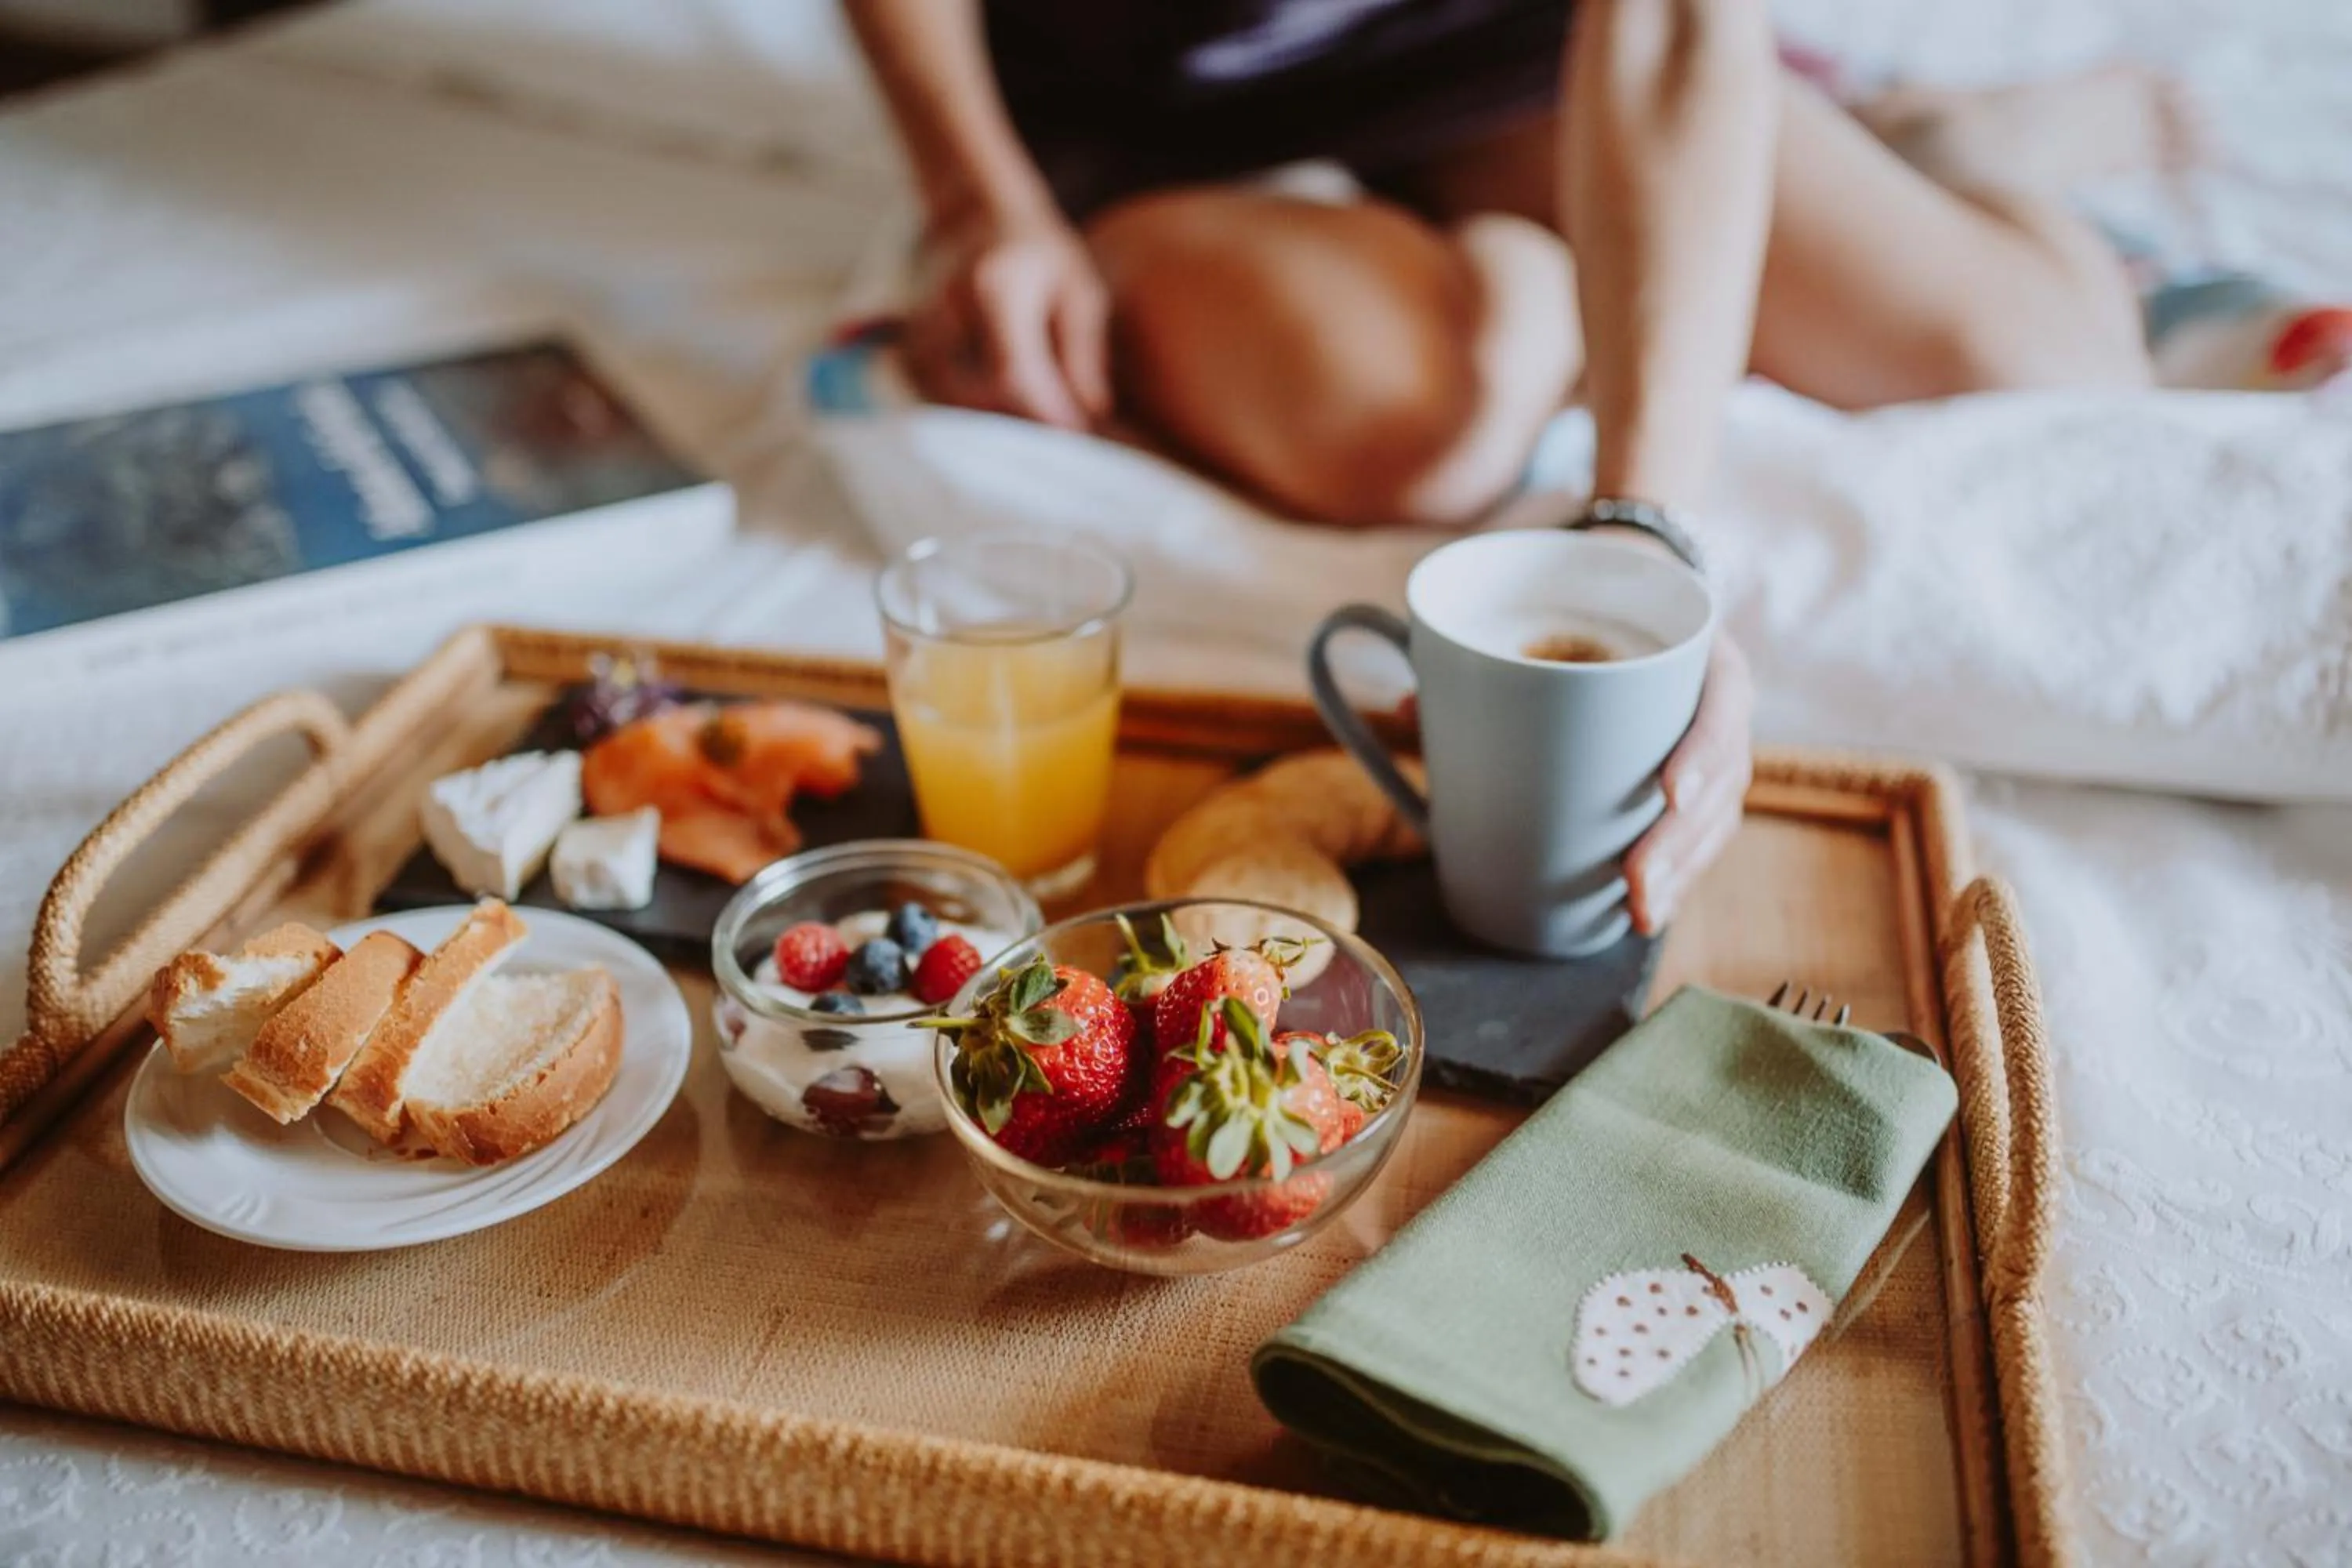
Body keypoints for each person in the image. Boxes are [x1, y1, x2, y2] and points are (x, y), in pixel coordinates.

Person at [840, 0, 2218, 933]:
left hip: (1491, 45)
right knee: (1433, 418)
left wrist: (1643, 529)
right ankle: (1534, 286)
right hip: (1142, 97)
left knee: (2050, 367)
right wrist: (979, 199)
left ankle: (1940, 135)